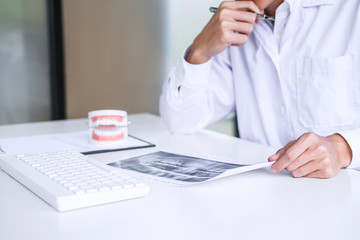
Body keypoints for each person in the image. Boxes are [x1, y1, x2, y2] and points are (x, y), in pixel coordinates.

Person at [159, 0, 360, 178]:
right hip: (263, 199)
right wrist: (199, 51)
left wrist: (344, 149)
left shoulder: (352, 10)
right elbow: (181, 121)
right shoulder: (232, 23)